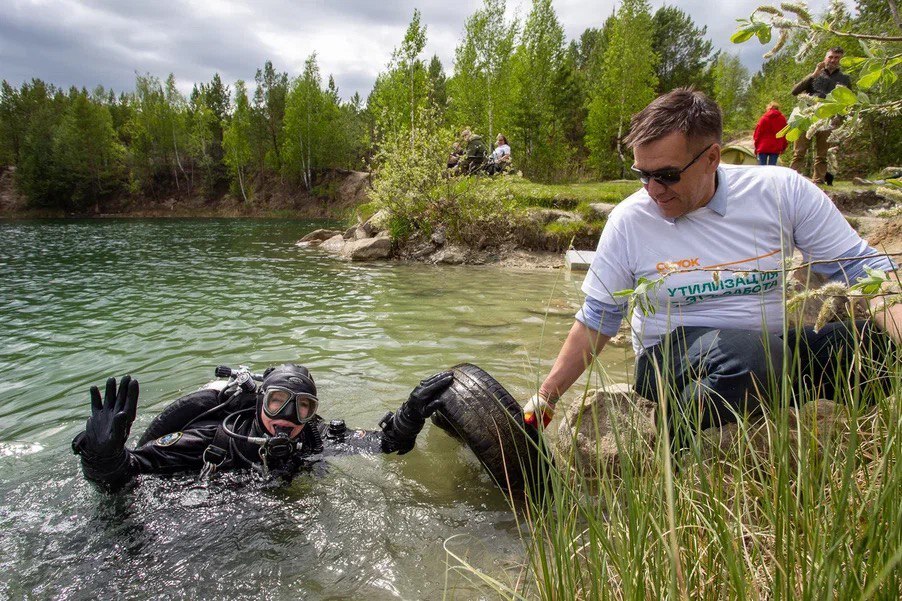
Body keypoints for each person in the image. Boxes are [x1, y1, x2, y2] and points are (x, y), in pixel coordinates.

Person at [523, 88, 899, 441]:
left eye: (667, 175)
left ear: (712, 158)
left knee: (876, 346)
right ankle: (673, 443)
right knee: (756, 359)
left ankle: (806, 423)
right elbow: (599, 318)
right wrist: (547, 395)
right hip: (670, 363)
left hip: (769, 352)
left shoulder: (783, 191)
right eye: (643, 175)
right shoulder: (629, 221)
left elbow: (865, 271)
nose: (652, 190)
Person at [72, 364, 453, 490]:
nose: (287, 416)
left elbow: (385, 446)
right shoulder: (218, 440)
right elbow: (131, 471)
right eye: (276, 402)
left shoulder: (315, 437)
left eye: (302, 407)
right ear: (260, 402)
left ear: (312, 413)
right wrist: (102, 456)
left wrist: (411, 412)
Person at [789, 47, 852, 184]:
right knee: (799, 152)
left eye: (837, 57)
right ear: (825, 58)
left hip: (828, 119)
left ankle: (818, 181)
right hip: (808, 117)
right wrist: (813, 74)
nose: (833, 60)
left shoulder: (845, 79)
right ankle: (791, 179)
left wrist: (840, 118)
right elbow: (795, 91)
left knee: (822, 154)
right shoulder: (815, 75)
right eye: (831, 57)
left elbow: (847, 102)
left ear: (841, 60)